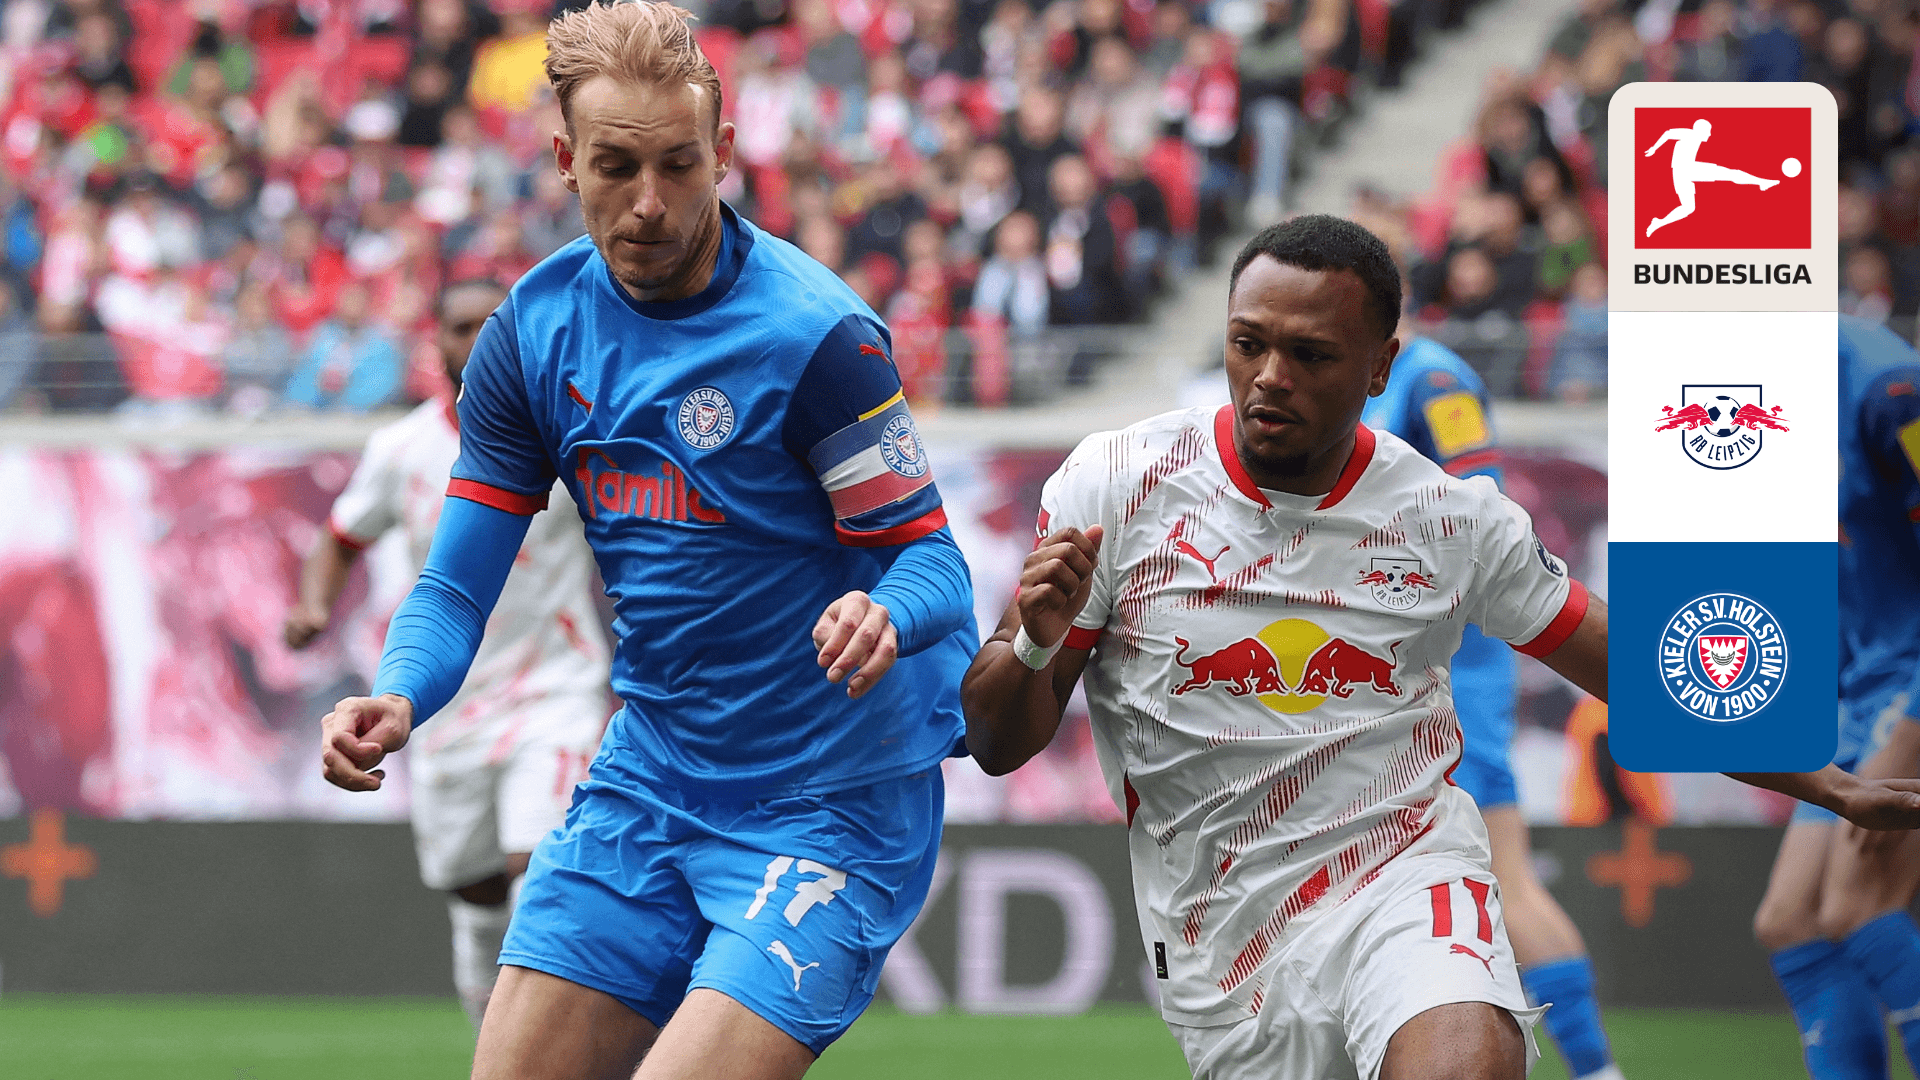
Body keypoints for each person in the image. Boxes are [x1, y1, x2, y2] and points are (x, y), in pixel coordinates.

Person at [961, 215, 1920, 1080]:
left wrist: (1829, 784)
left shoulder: (1450, 518)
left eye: (1310, 354)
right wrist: (1037, 646)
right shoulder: (1117, 482)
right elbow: (999, 742)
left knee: (1466, 1049)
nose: (1270, 377)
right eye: (1248, 344)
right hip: (1224, 941)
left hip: (1406, 879)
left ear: (1381, 366)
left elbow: (1632, 669)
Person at [314, 4, 975, 1078]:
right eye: (617, 167)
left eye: (678, 164)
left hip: (829, 798)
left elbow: (934, 562)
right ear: (566, 161)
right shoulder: (533, 335)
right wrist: (399, 694)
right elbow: (456, 588)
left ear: (724, 151)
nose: (650, 202)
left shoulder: (815, 337)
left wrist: (885, 610)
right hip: (656, 777)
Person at [285, 278, 613, 1031]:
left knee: (541, 880)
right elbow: (340, 540)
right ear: (435, 341)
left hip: (554, 689)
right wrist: (313, 605)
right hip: (442, 707)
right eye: (459, 327)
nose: (474, 340)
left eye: (487, 325)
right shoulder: (400, 450)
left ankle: (547, 1054)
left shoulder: (567, 432)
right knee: (478, 899)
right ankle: (492, 1052)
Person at [1362, 325, 1622, 1080]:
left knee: (1505, 881)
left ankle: (1596, 1069)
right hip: (1402, 673)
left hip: (1450, 674)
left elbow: (1482, 504)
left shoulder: (1434, 380)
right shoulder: (1367, 378)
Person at [1750, 315, 1920, 1080]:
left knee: (1860, 905)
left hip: (1909, 679)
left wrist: (1909, 726)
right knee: (1792, 921)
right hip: (1861, 686)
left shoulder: (1891, 389)